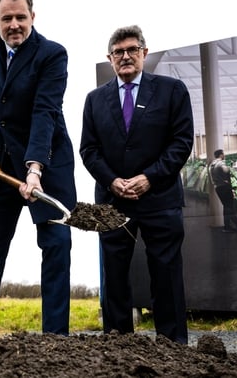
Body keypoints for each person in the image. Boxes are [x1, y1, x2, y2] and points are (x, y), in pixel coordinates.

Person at [0, 0, 77, 339]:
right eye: (6, 18)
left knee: (56, 247)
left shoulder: (52, 54)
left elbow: (46, 111)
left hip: (47, 167)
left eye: (20, 17)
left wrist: (35, 168)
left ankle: (55, 340)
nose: (14, 24)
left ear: (33, 17)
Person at [80, 25, 193, 345]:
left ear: (144, 52)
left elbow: (181, 142)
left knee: (166, 273)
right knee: (114, 276)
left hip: (160, 198)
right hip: (112, 202)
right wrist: (112, 180)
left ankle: (172, 345)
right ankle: (118, 346)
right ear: (109, 58)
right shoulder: (94, 100)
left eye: (132, 50)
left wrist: (149, 178)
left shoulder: (173, 91)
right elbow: (88, 149)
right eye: (118, 52)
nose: (125, 56)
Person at [209, 149, 237, 232]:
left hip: (218, 187)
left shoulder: (212, 164)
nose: (224, 155)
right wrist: (230, 168)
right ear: (221, 155)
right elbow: (226, 170)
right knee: (229, 207)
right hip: (225, 187)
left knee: (226, 207)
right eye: (223, 154)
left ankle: (227, 226)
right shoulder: (221, 163)